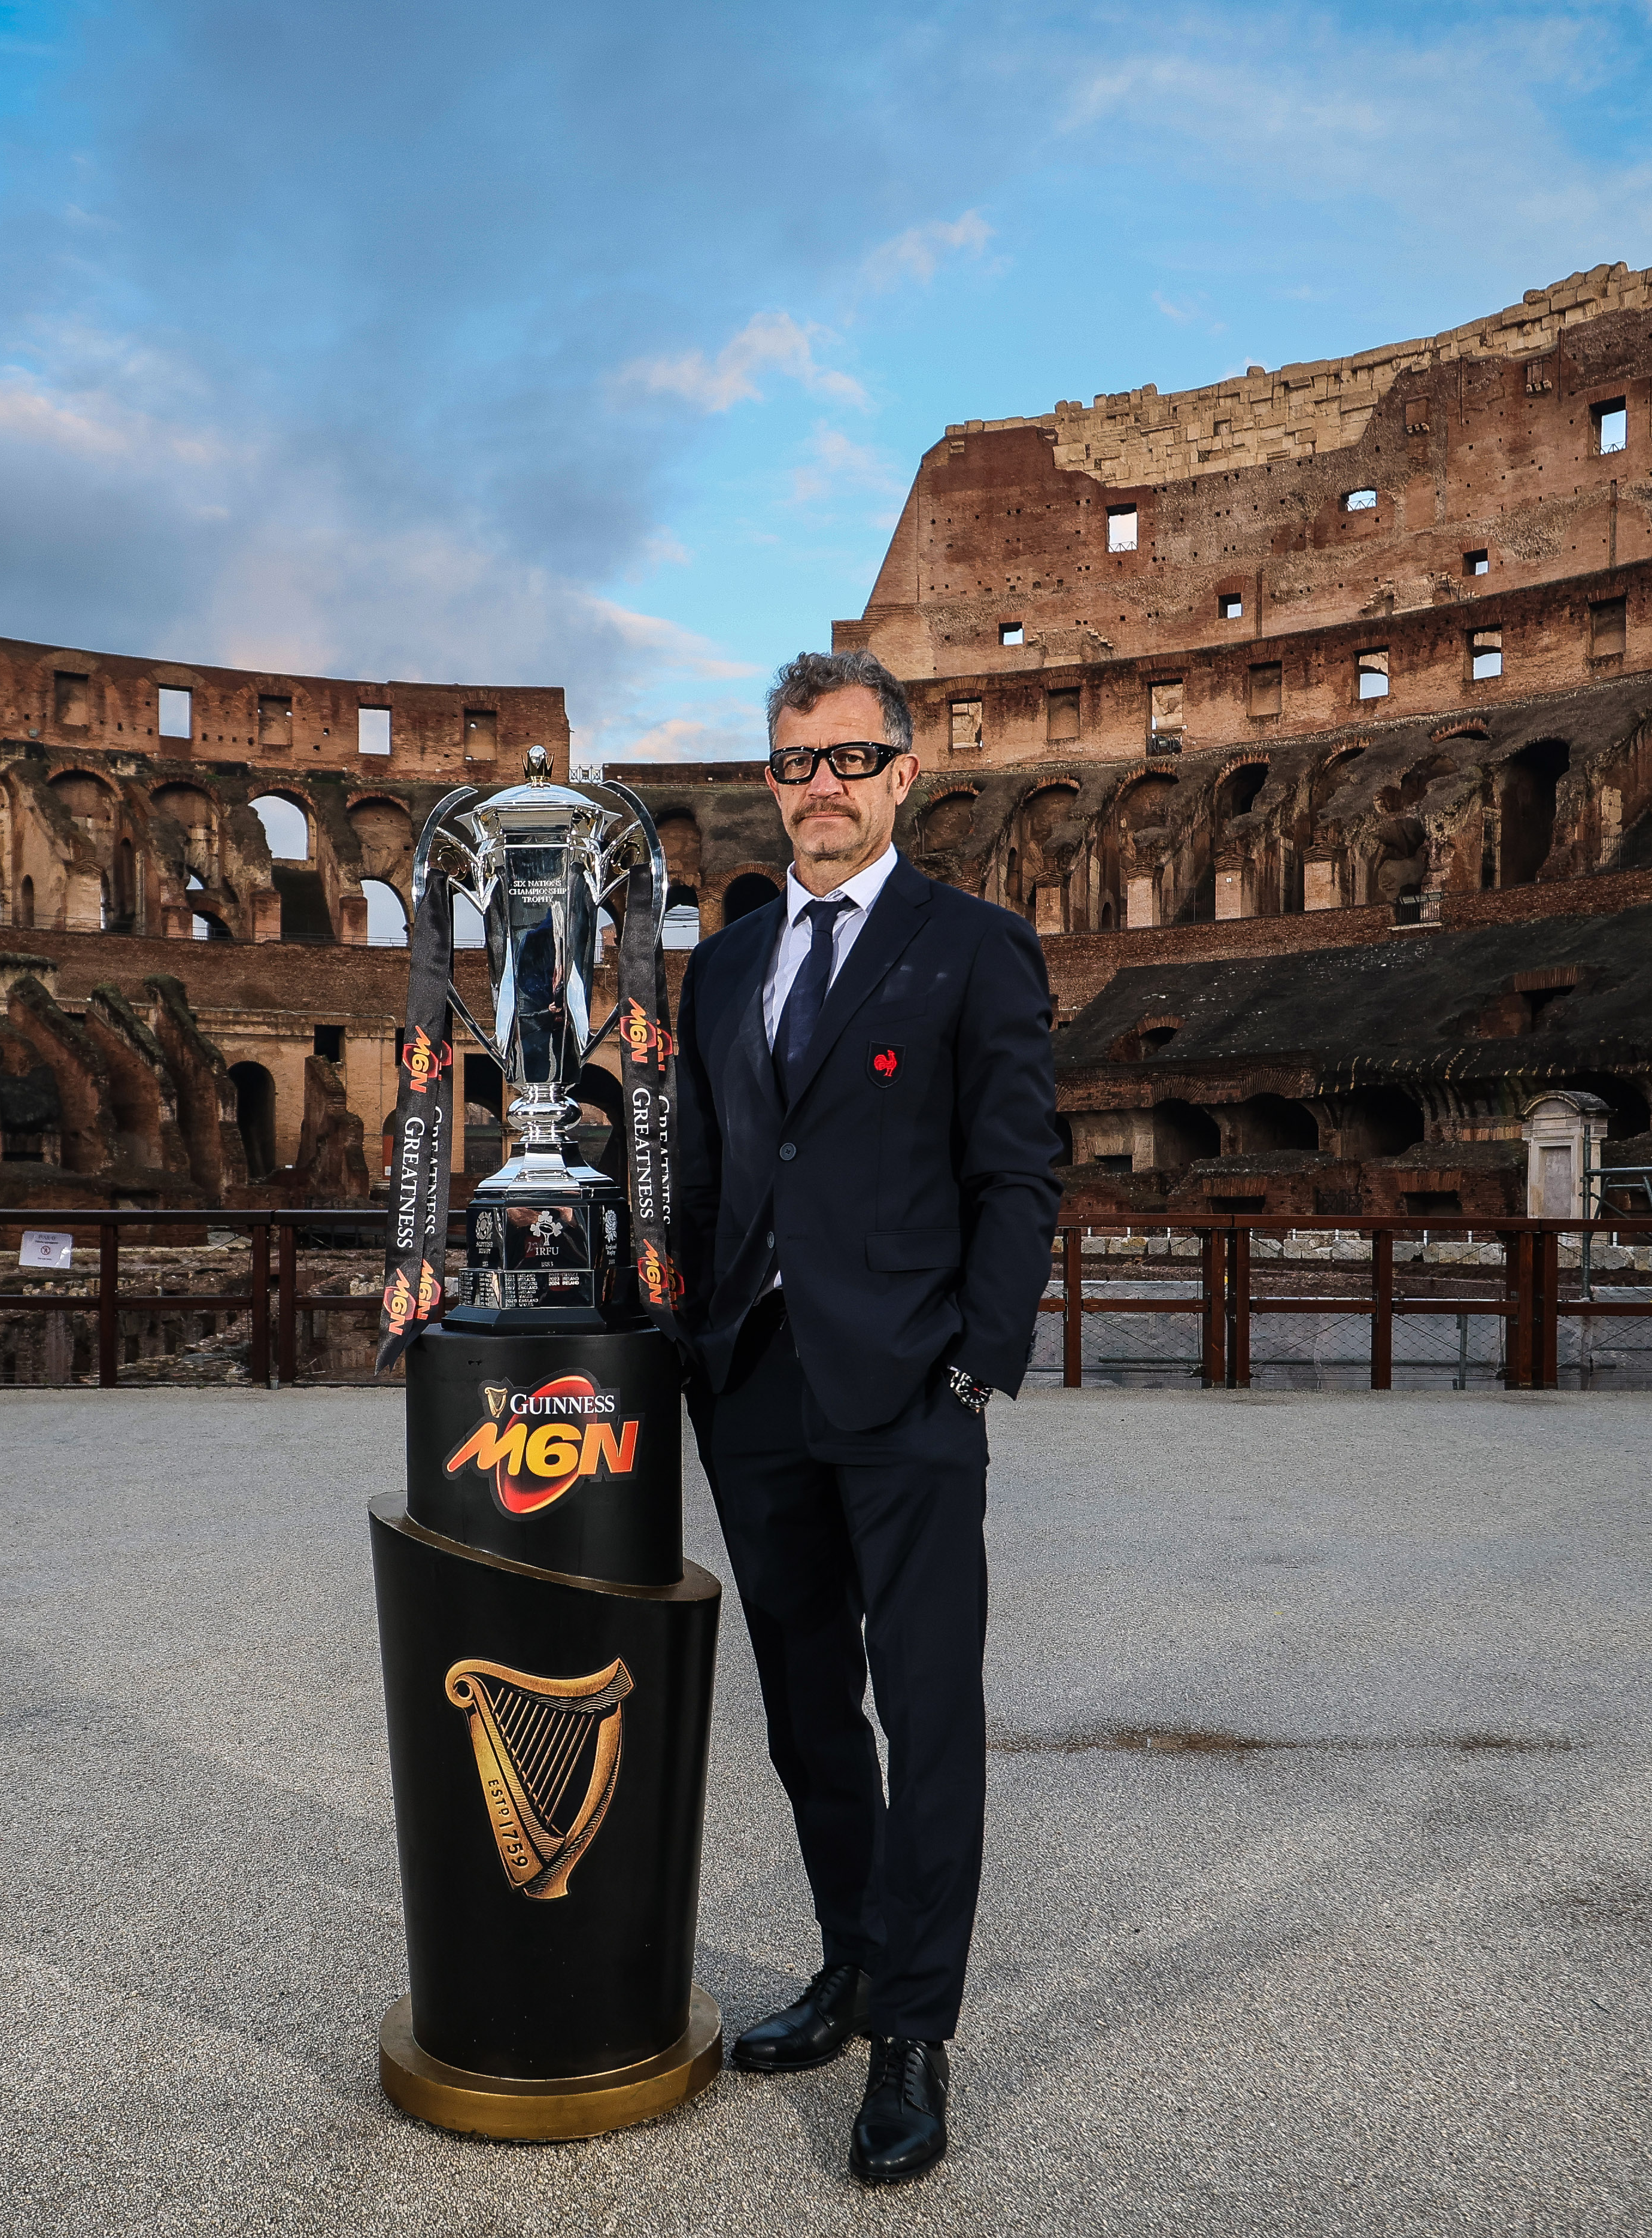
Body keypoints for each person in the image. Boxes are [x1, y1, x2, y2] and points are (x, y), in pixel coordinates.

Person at [667, 650, 1060, 2186]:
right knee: (807, 1706)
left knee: (930, 1711)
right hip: (754, 1385)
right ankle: (845, 1963)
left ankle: (914, 2032)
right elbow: (703, 1177)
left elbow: (1019, 1172)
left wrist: (978, 1366)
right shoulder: (721, 964)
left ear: (905, 772)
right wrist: (691, 1333)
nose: (816, 788)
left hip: (906, 1391)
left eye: (845, 759)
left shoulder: (972, 947)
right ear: (767, 784)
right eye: (790, 764)